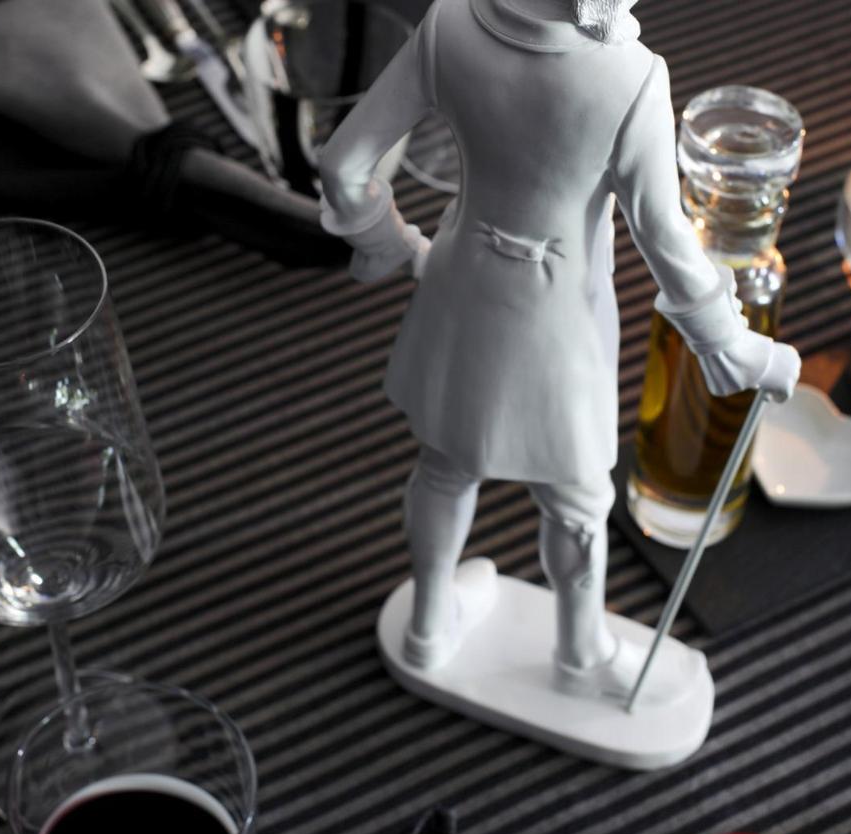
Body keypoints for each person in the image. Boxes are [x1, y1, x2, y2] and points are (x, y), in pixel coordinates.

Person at [318, 0, 800, 701]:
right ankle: (579, 653)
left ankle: (427, 625)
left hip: (458, 285)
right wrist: (729, 345)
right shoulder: (631, 76)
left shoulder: (449, 23)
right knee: (575, 495)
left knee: (446, 462)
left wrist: (388, 244)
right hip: (559, 318)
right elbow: (664, 236)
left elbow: (342, 164)